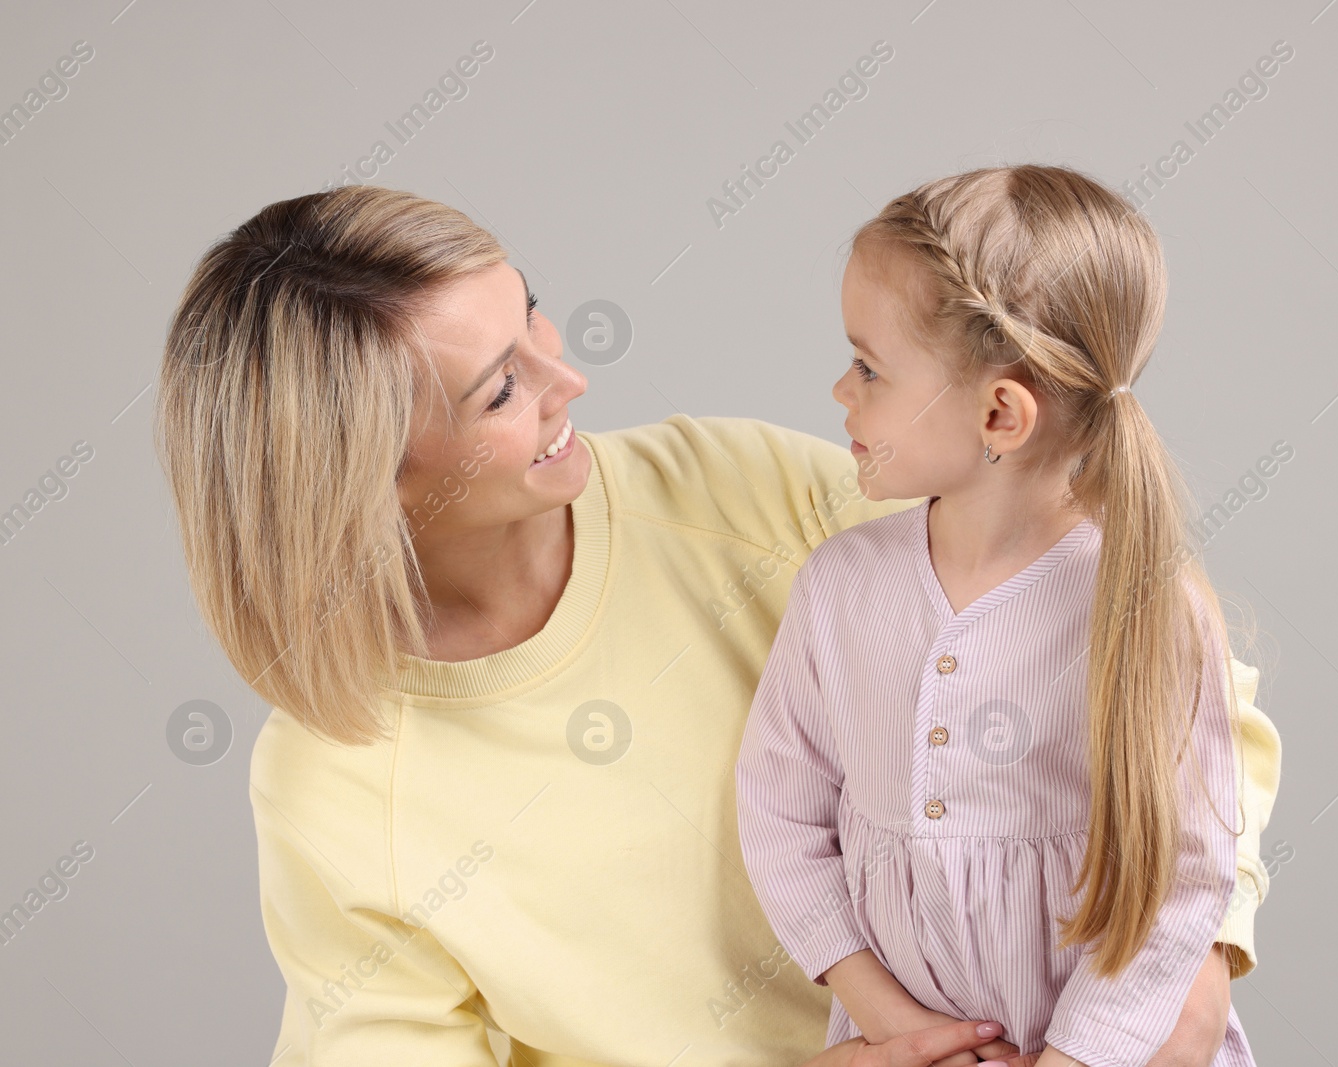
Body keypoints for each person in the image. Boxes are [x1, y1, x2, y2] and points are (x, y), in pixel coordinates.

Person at [151, 183, 1281, 1067]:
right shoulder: (335, 779)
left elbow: (1168, 689)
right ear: (361, 483)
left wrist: (1195, 960)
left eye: (532, 310)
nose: (571, 377)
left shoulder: (733, 489)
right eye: (500, 389)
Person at [737, 165, 1266, 1065]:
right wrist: (895, 1020)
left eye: (869, 367)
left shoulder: (1146, 608)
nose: (840, 391)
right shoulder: (839, 587)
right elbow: (780, 815)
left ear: (1000, 412)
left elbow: (1182, 879)